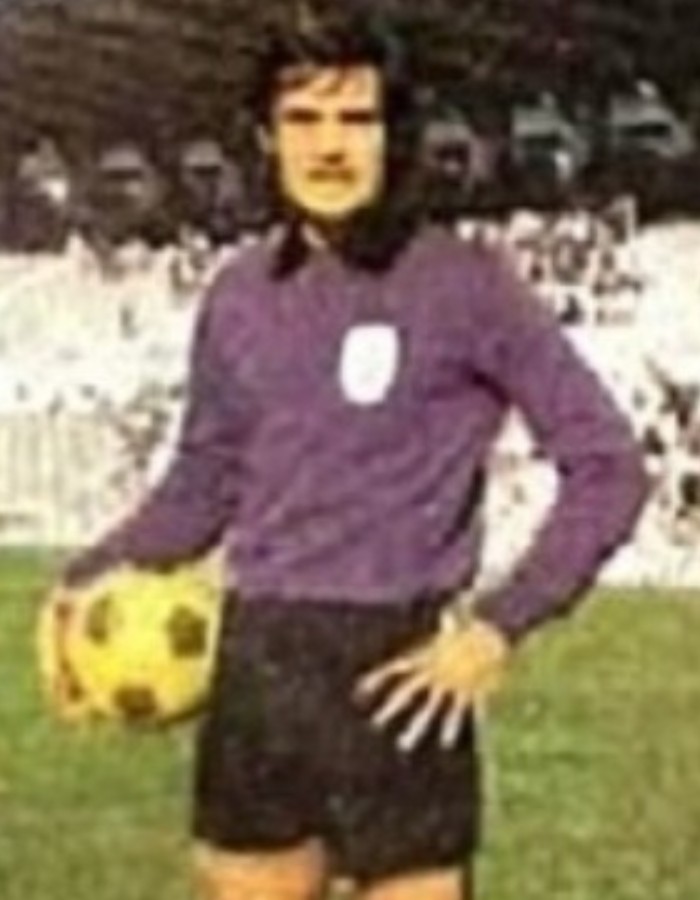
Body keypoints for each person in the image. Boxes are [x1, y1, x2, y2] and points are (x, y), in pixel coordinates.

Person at [52, 7, 649, 900]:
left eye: (356, 118)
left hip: (404, 675)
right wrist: (86, 578)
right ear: (267, 137)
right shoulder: (238, 294)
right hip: (258, 666)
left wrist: (499, 625)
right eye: (303, 118)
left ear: (392, 134)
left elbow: (609, 468)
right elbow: (202, 483)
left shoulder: (467, 285)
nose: (328, 145)